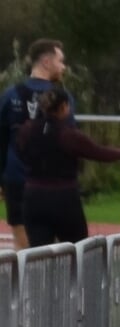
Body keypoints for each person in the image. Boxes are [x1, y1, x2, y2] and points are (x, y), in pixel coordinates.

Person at [15, 88, 120, 245]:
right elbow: (98, 152)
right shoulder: (69, 135)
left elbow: (19, 151)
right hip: (64, 197)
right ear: (64, 106)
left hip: (33, 196)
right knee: (77, 249)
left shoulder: (27, 130)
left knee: (38, 254)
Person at [3, 38, 68, 248]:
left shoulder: (10, 95)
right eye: (60, 61)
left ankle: (21, 281)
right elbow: (70, 139)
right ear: (46, 62)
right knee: (56, 249)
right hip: (52, 181)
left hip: (16, 177)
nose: (63, 67)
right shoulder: (62, 98)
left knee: (22, 249)